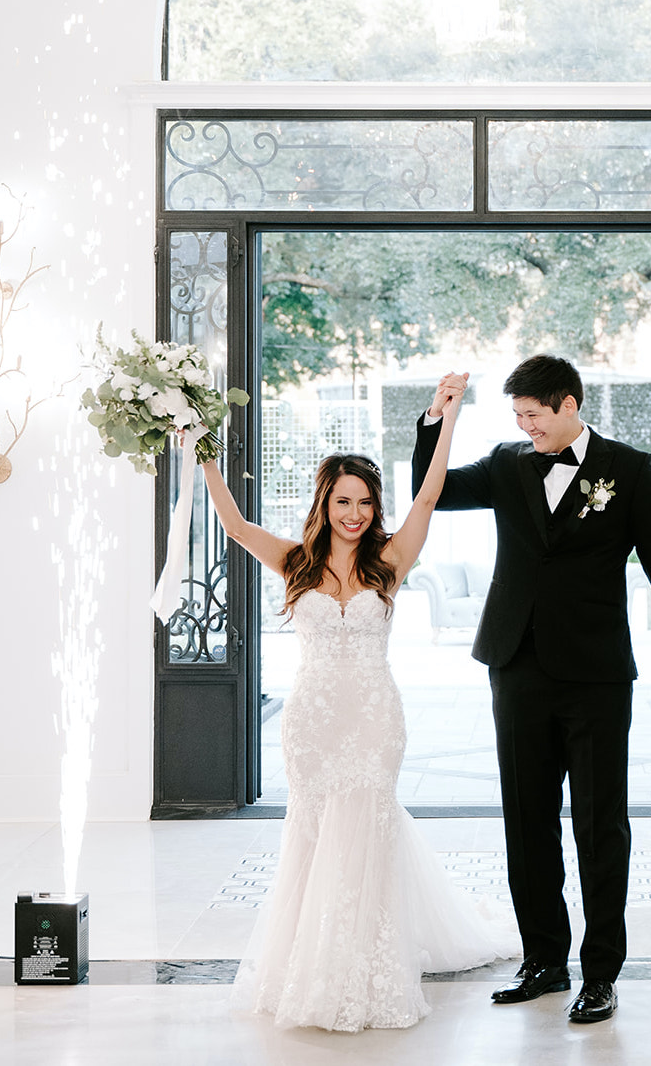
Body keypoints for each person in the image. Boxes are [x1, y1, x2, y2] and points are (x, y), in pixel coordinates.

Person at [196, 378, 513, 1033]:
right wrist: (202, 449)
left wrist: (446, 419)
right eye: (344, 500)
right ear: (325, 501)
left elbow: (428, 494)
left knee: (366, 824)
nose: (355, 512)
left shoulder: (389, 561)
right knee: (312, 834)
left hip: (373, 715)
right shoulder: (294, 562)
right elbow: (234, 523)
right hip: (312, 718)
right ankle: (308, 965)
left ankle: (365, 965)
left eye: (365, 501)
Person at [412, 355, 651, 1025]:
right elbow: (431, 490)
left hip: (597, 673)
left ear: (569, 404)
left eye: (534, 415)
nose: (525, 426)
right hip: (515, 664)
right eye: (517, 416)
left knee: (600, 825)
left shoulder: (628, 469)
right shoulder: (505, 463)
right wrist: (438, 420)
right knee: (527, 816)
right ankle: (543, 959)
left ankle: (600, 972)